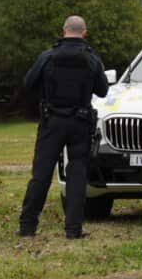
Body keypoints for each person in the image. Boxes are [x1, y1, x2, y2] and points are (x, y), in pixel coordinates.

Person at [18, 15, 108, 239]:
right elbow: (103, 90)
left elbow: (28, 83)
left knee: (41, 174)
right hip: (80, 122)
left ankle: (28, 226)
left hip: (52, 121)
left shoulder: (47, 57)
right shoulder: (91, 59)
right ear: (84, 32)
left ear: (64, 30)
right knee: (77, 174)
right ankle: (73, 229)